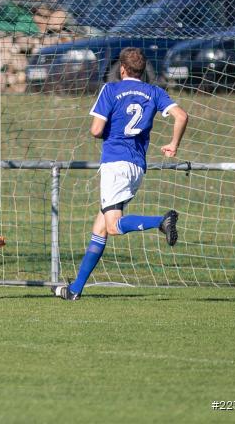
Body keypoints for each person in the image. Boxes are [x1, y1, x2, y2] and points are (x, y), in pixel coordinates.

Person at [55, 47, 188, 301]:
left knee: (114, 226)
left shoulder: (111, 89)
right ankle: (74, 290)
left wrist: (109, 132)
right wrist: (173, 145)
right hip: (137, 167)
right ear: (143, 70)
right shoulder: (154, 91)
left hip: (115, 163)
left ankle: (160, 221)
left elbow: (96, 130)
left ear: (122, 69)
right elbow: (181, 116)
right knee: (101, 226)